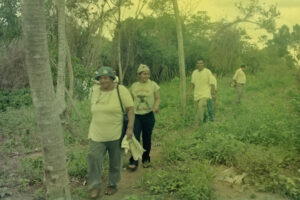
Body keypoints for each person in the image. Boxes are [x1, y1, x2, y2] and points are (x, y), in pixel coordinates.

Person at [87, 66, 134, 198]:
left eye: (106, 78)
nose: (103, 80)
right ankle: (95, 186)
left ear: (112, 79)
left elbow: (130, 109)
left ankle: (112, 184)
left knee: (115, 161)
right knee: (93, 158)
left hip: (116, 134)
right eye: (100, 78)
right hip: (96, 134)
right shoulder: (95, 91)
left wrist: (130, 128)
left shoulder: (121, 90)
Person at [128, 64, 160, 170]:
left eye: (148, 74)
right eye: (144, 74)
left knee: (147, 138)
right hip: (136, 116)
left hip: (148, 115)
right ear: (139, 75)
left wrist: (155, 107)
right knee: (135, 138)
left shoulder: (153, 85)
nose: (146, 76)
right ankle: (134, 160)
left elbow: (157, 98)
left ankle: (146, 159)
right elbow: (130, 101)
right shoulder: (134, 86)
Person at [188, 59, 216, 127]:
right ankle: (204, 119)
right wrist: (189, 92)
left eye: (201, 63)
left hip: (205, 94)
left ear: (203, 64)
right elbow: (192, 83)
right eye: (198, 63)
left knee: (200, 107)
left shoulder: (207, 72)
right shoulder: (194, 72)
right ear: (196, 64)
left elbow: (212, 83)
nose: (199, 65)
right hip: (196, 94)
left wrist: (213, 93)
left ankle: (198, 124)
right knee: (196, 109)